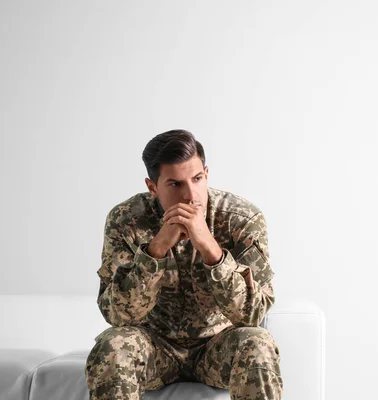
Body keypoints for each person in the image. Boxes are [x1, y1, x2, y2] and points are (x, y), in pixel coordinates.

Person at [84, 130, 283, 400]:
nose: (191, 195)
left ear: (207, 173)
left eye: (197, 179)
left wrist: (211, 249)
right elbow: (118, 317)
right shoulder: (126, 220)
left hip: (217, 345)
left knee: (257, 343)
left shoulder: (242, 219)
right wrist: (156, 250)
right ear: (153, 187)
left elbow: (252, 314)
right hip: (154, 346)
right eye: (175, 184)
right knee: (113, 345)